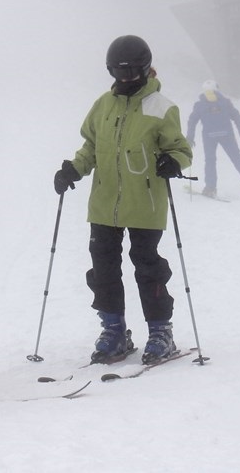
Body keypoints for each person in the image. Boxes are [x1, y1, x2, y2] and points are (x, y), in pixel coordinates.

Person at [53, 35, 192, 365]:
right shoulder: (103, 104)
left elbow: (181, 149)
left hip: (145, 203)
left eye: (131, 72)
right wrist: (74, 168)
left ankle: (160, 331)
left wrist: (173, 161)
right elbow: (91, 145)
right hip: (103, 204)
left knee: (148, 269)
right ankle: (113, 330)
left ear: (145, 68)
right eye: (118, 72)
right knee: (103, 271)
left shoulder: (161, 107)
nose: (125, 79)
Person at [186, 80, 240, 198]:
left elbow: (192, 121)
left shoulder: (200, 105)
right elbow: (237, 117)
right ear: (216, 89)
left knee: (210, 161)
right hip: (226, 135)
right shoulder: (225, 102)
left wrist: (190, 138)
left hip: (209, 136)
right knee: (237, 159)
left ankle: (210, 188)